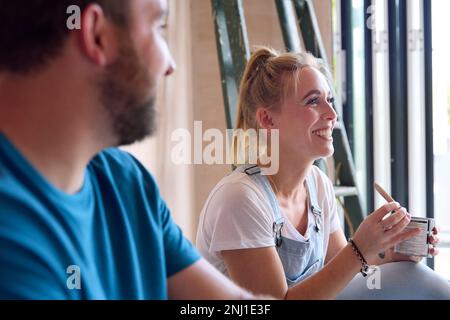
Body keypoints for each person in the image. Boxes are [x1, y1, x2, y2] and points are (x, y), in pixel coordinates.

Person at [0, 0, 261, 300]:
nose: (169, 64)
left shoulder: (125, 182)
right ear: (97, 35)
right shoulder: (10, 241)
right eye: (156, 26)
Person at [196, 47, 450, 299]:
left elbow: (344, 273)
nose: (331, 114)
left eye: (328, 100)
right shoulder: (240, 198)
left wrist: (388, 256)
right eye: (313, 101)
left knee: (413, 276)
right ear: (268, 119)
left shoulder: (317, 184)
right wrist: (360, 247)